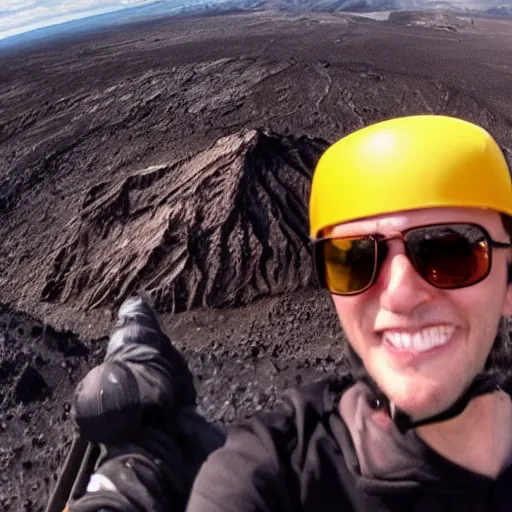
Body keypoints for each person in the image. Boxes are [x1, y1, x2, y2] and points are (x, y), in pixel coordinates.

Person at [185, 114, 512, 511]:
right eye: (355, 259)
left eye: (451, 253)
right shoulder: (274, 471)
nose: (400, 296)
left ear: (509, 285)